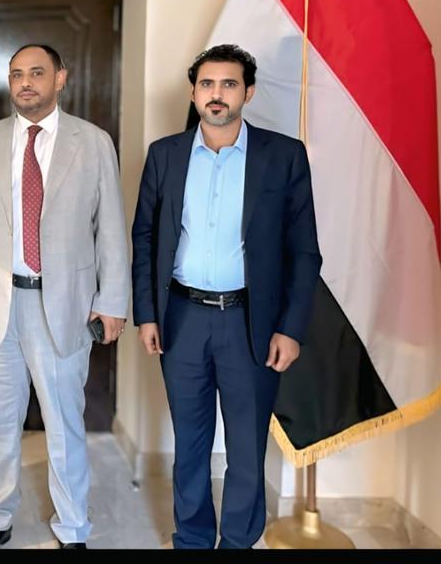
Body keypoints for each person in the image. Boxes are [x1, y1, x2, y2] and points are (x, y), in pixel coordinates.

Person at [130, 44, 322, 549]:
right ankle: (192, 540)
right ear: (194, 93)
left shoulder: (283, 156)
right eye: (207, 84)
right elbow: (144, 237)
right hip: (181, 318)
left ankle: (238, 542)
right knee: (189, 445)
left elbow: (304, 252)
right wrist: (147, 314)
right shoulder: (165, 154)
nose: (217, 94)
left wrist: (290, 328)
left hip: (250, 323)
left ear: (248, 93)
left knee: (246, 448)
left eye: (229, 84)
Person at [0, 44, 130, 550]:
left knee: (64, 425)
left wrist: (113, 300)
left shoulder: (93, 142)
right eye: (17, 74)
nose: (25, 82)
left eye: (37, 73)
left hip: (64, 306)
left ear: (60, 78)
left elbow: (111, 229)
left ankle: (73, 528)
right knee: (0, 424)